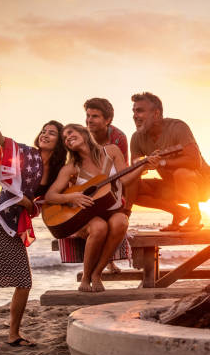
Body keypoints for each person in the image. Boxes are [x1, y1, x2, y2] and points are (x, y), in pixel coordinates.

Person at [0, 86, 67, 353]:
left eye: (53, 133)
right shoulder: (26, 154)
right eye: (44, 130)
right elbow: (0, 140)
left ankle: (14, 334)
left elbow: (49, 198)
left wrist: (31, 203)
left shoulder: (58, 170)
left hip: (15, 224)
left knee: (24, 281)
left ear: (59, 142)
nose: (46, 135)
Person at [45, 124, 159, 292]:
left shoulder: (111, 151)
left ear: (83, 133)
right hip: (87, 217)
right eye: (64, 138)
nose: (67, 137)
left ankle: (97, 273)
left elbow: (126, 179)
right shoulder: (71, 168)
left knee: (121, 221)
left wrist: (143, 165)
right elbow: (50, 196)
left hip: (112, 210)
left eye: (70, 132)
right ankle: (85, 277)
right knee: (99, 227)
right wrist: (71, 197)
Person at [129, 92, 210, 232]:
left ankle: (195, 215)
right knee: (132, 187)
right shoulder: (137, 138)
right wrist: (144, 162)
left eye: (140, 111)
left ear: (156, 114)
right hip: (171, 188)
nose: (135, 115)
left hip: (202, 185)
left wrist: (162, 163)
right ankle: (179, 212)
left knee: (181, 173)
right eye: (133, 111)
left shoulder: (178, 127)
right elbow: (135, 165)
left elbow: (194, 161)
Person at [83, 97, 129, 273]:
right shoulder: (82, 137)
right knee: (98, 225)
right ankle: (96, 269)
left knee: (117, 220)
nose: (89, 120)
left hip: (113, 187)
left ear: (108, 120)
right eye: (87, 115)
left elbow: (121, 172)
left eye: (95, 116)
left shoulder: (118, 138)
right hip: (88, 189)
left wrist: (125, 206)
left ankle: (107, 263)